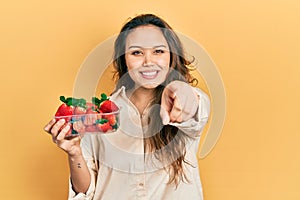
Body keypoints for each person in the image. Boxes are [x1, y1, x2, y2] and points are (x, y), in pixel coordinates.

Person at [44, 13, 210, 200]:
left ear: (171, 57)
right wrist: (74, 153)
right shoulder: (101, 116)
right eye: (137, 52)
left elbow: (195, 108)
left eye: (158, 51)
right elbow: (85, 191)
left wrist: (181, 90)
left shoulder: (183, 102)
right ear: (124, 59)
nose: (148, 62)